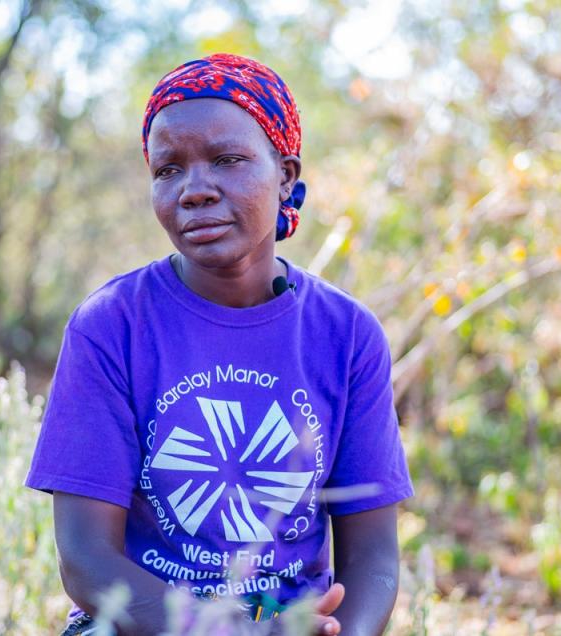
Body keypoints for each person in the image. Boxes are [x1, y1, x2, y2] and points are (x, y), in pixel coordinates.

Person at [25, 53, 414, 636]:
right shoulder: (111, 327)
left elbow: (374, 558)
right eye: (168, 170)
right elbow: (86, 558)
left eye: (228, 160)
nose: (194, 190)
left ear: (285, 174)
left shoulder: (347, 335)